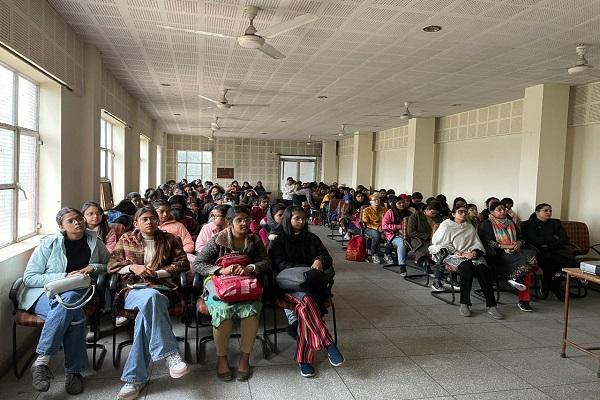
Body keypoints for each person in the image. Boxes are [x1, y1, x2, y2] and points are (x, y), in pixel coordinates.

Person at [20, 207, 110, 395]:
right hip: (45, 294)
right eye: (71, 221)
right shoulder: (49, 244)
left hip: (79, 293)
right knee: (73, 312)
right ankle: (74, 372)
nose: (77, 222)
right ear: (61, 226)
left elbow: (109, 265)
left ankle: (42, 361)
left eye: (79, 218)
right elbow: (29, 278)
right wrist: (64, 276)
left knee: (70, 302)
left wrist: (92, 268)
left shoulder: (94, 241)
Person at [108, 206, 190, 399]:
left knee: (145, 318)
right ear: (136, 223)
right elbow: (112, 265)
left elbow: (183, 263)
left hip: (162, 288)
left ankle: (134, 380)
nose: (149, 222)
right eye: (144, 219)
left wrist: (159, 273)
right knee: (150, 299)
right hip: (132, 290)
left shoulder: (170, 239)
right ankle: (171, 354)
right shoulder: (127, 239)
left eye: (153, 218)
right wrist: (132, 267)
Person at [193, 206, 271, 382]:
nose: (245, 223)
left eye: (247, 219)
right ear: (229, 222)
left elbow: (265, 262)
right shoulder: (217, 241)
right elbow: (197, 264)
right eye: (239, 220)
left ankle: (245, 358)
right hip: (219, 282)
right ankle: (222, 358)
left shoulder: (254, 239)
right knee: (224, 311)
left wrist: (250, 268)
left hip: (244, 283)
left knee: (250, 312)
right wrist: (221, 270)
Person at [268, 206, 344, 378]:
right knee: (307, 302)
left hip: (312, 286)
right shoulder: (278, 241)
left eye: (303, 218)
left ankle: (305, 360)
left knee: (305, 308)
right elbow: (279, 266)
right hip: (288, 287)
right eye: (297, 218)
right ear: (288, 220)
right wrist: (305, 271)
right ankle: (328, 343)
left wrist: (319, 260)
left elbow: (327, 257)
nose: (302, 222)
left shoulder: (312, 238)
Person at [430, 204, 503, 319]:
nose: (463, 214)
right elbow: (438, 243)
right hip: (452, 255)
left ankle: (491, 305)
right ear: (453, 214)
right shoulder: (446, 225)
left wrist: (475, 252)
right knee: (467, 267)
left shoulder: (469, 226)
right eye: (460, 212)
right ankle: (464, 303)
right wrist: (461, 253)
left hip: (470, 255)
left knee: (483, 270)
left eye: (465, 212)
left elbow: (476, 242)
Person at [478, 201, 537, 312]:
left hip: (514, 251)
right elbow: (488, 242)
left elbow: (521, 238)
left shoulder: (510, 222)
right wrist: (507, 246)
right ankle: (517, 285)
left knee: (530, 256)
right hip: (498, 254)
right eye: (499, 210)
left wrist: (518, 243)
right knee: (524, 261)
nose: (503, 211)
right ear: (491, 212)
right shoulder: (487, 224)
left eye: (504, 209)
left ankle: (520, 290)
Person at [521, 203, 576, 300]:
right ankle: (555, 287)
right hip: (539, 252)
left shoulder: (556, 223)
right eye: (545, 210)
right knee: (551, 262)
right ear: (537, 212)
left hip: (556, 250)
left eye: (550, 210)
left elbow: (564, 239)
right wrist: (554, 238)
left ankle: (549, 283)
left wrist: (548, 244)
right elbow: (535, 241)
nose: (549, 212)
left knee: (571, 263)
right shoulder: (528, 224)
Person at [407, 201, 443, 286]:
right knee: (426, 249)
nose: (435, 215)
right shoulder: (415, 216)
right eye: (433, 213)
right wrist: (427, 236)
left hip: (435, 238)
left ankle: (437, 266)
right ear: (427, 209)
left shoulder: (438, 217)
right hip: (419, 239)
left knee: (440, 249)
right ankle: (425, 263)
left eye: (436, 213)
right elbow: (411, 232)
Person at [381, 195, 412, 273]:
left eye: (403, 203)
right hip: (392, 234)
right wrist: (398, 227)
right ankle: (402, 266)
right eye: (399, 203)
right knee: (402, 243)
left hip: (406, 234)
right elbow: (384, 226)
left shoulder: (408, 213)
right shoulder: (390, 212)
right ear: (395, 204)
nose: (402, 204)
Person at [362, 194, 386, 264]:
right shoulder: (366, 210)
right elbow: (366, 223)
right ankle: (374, 254)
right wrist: (376, 228)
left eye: (378, 199)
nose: (377, 201)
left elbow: (387, 220)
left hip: (382, 227)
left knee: (390, 235)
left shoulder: (384, 209)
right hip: (369, 228)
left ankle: (387, 254)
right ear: (370, 202)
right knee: (376, 235)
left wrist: (383, 227)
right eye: (375, 200)